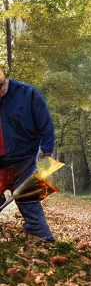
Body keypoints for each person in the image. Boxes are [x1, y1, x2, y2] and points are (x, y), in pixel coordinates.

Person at [0, 66, 55, 242]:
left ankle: (42, 238)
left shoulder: (28, 94)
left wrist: (46, 153)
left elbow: (45, 124)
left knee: (28, 200)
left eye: (0, 87)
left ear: (6, 79)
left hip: (25, 158)